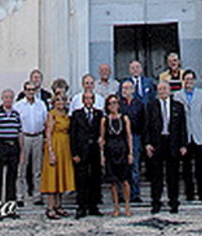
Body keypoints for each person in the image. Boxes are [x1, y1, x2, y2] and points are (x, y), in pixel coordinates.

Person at [145, 80, 188, 214]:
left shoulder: (178, 106)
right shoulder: (151, 106)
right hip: (157, 143)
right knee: (156, 175)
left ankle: (173, 202)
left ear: (170, 90)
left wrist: (183, 144)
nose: (162, 91)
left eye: (164, 89)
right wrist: (147, 144)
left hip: (173, 142)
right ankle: (156, 202)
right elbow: (146, 126)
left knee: (173, 175)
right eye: (160, 89)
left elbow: (183, 127)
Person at [0, 89, 23, 219]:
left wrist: (21, 151)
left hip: (13, 146)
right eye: (6, 97)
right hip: (0, 146)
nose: (8, 100)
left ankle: (10, 208)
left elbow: (19, 133)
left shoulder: (16, 114)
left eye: (11, 97)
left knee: (12, 179)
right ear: (2, 98)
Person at [175, 69, 202, 202]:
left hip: (199, 134)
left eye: (191, 79)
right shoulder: (178, 95)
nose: (189, 82)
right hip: (185, 136)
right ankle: (189, 193)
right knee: (186, 167)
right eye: (186, 79)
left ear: (194, 81)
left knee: (201, 166)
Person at [40, 92, 75, 219]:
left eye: (62, 100)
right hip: (55, 144)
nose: (60, 103)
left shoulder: (65, 115)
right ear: (54, 103)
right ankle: (50, 207)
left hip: (64, 146)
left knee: (61, 175)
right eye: (58, 101)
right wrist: (50, 151)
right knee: (52, 176)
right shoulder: (52, 115)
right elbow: (48, 133)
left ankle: (59, 205)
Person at [69, 90, 103, 218]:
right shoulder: (77, 114)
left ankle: (93, 206)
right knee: (81, 179)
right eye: (86, 99)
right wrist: (74, 153)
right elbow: (72, 135)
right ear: (83, 101)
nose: (88, 101)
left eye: (91, 99)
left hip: (94, 151)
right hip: (81, 151)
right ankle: (81, 206)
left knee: (95, 178)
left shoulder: (98, 114)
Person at [13, 79, 48, 206]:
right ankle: (20, 195)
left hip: (38, 136)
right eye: (28, 90)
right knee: (21, 167)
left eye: (33, 90)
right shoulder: (18, 106)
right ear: (24, 91)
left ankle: (37, 195)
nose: (31, 92)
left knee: (37, 168)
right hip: (24, 137)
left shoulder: (41, 104)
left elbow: (45, 121)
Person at [100, 94, 134, 216]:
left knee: (125, 180)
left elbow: (129, 135)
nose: (113, 105)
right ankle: (116, 206)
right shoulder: (105, 120)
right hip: (110, 151)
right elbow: (102, 138)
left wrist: (131, 153)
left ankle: (127, 206)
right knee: (113, 182)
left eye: (115, 103)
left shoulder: (124, 118)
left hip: (122, 150)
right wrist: (102, 155)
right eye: (110, 103)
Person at [119, 79, 145, 202]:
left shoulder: (139, 103)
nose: (126, 91)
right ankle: (121, 194)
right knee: (120, 165)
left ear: (133, 90)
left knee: (134, 165)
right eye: (124, 88)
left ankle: (135, 193)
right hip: (120, 137)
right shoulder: (118, 104)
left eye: (128, 88)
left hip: (135, 136)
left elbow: (143, 120)